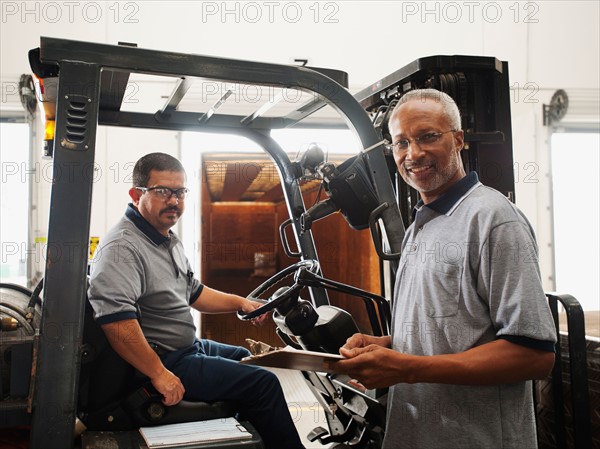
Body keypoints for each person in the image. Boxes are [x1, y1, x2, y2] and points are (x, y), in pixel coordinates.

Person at [330, 89, 557, 449]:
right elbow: (453, 333)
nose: (413, 154)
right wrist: (387, 348)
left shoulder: (493, 221)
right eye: (401, 143)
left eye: (428, 137)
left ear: (459, 139)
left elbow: (534, 354)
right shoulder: (421, 224)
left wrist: (406, 368)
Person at [88, 152, 305, 449]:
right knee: (263, 384)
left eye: (180, 192)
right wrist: (160, 374)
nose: (174, 201)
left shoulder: (165, 237)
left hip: (188, 348)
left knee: (246, 357)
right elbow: (117, 324)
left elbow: (194, 293)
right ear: (137, 194)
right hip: (166, 359)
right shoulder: (122, 248)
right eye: (163, 191)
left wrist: (242, 302)